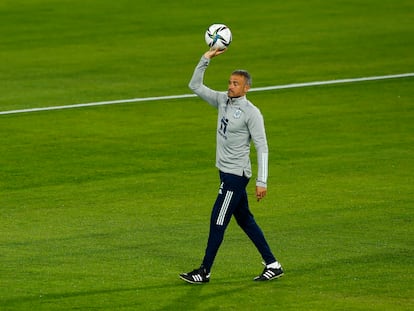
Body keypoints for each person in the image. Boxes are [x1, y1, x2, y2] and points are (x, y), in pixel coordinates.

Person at [179, 48, 283, 284]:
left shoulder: (251, 113)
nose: (230, 86)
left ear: (247, 88)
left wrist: (262, 181)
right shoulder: (222, 101)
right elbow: (194, 86)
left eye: (236, 83)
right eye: (229, 82)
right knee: (245, 220)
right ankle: (273, 264)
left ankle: (204, 271)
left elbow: (262, 147)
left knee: (218, 219)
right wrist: (205, 59)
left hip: (235, 177)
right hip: (225, 173)